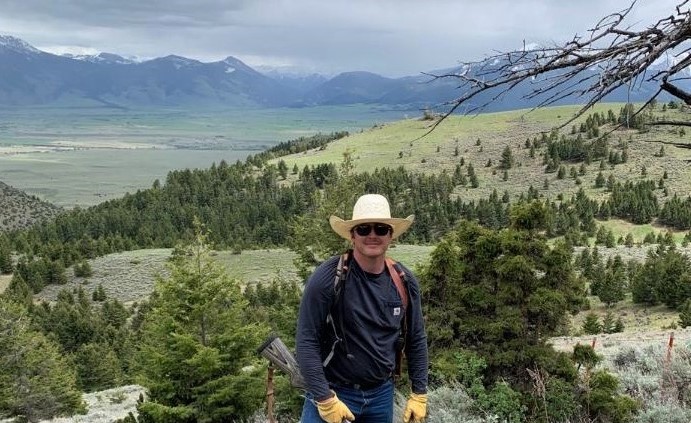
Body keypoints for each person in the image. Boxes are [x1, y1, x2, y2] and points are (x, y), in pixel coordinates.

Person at [296, 193, 429, 423]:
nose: (372, 235)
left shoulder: (404, 281)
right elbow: (306, 340)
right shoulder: (329, 278)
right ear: (352, 235)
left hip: (381, 396)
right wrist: (325, 399)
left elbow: (415, 339)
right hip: (334, 392)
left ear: (391, 236)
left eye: (380, 229)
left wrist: (419, 393)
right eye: (364, 229)